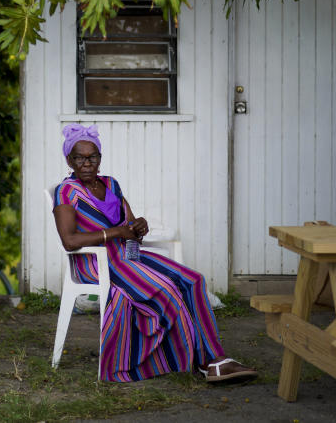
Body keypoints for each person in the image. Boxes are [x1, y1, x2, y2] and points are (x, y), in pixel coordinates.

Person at [52, 123, 258, 383]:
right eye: (79, 157)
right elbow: (70, 240)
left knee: (193, 280)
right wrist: (116, 233)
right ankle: (205, 361)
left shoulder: (111, 185)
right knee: (167, 288)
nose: (86, 163)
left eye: (92, 157)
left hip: (127, 254)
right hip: (97, 262)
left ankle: (213, 356)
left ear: (100, 159)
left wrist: (140, 225)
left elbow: (130, 222)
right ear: (69, 160)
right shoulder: (66, 192)